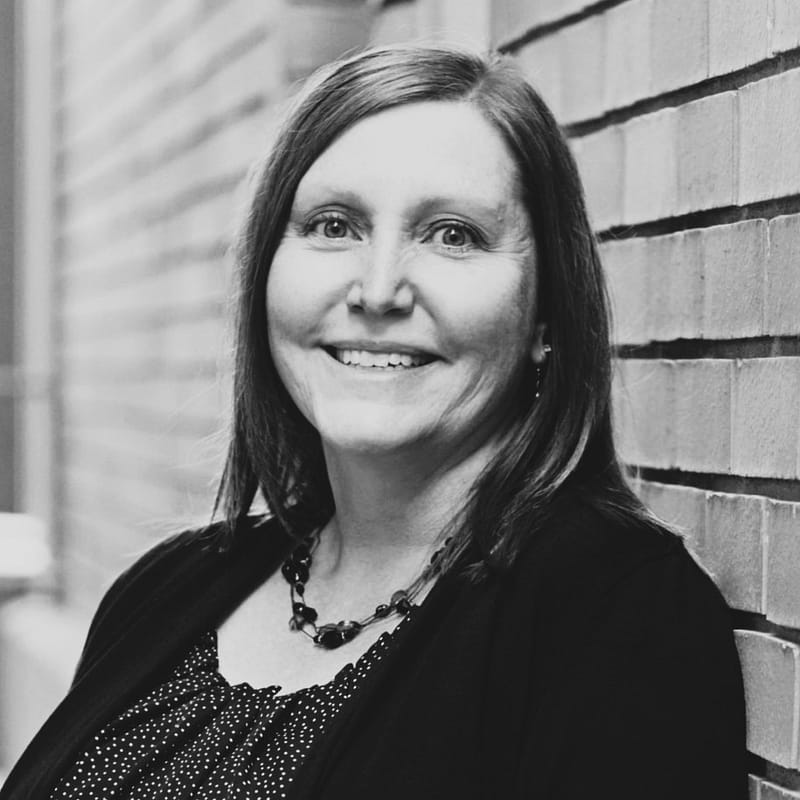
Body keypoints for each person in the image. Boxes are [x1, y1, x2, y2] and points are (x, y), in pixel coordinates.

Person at [1, 44, 747, 800]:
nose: (380, 288)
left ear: (545, 317)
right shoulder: (166, 589)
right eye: (334, 225)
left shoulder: (616, 615)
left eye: (453, 234)